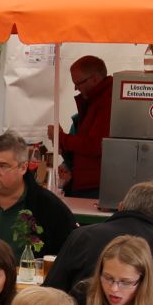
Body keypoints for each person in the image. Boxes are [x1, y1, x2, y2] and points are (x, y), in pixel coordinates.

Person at [0, 129, 77, 260]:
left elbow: (71, 251)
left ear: (23, 168)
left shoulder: (47, 205)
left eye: (3, 165)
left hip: (30, 279)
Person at [55, 54, 112, 199]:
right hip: (89, 182)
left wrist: (61, 137)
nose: (75, 88)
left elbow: (95, 145)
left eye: (78, 83)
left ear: (94, 79)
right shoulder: (95, 100)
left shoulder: (107, 101)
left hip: (95, 186)